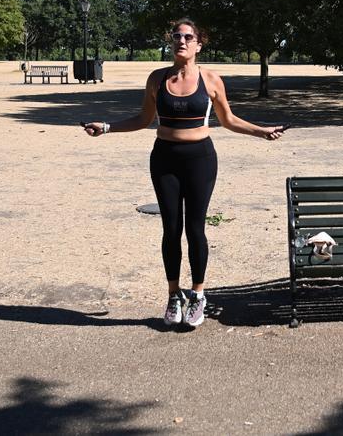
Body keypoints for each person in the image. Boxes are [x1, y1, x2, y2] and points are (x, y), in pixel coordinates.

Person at [82, 19, 284, 329]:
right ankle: (174, 294)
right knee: (171, 228)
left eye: (188, 37)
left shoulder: (212, 80)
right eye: (176, 36)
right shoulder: (157, 79)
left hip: (200, 160)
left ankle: (199, 295)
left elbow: (228, 120)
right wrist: (107, 127)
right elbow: (143, 119)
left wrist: (262, 131)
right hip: (164, 159)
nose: (181, 40)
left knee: (195, 228)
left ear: (199, 44)